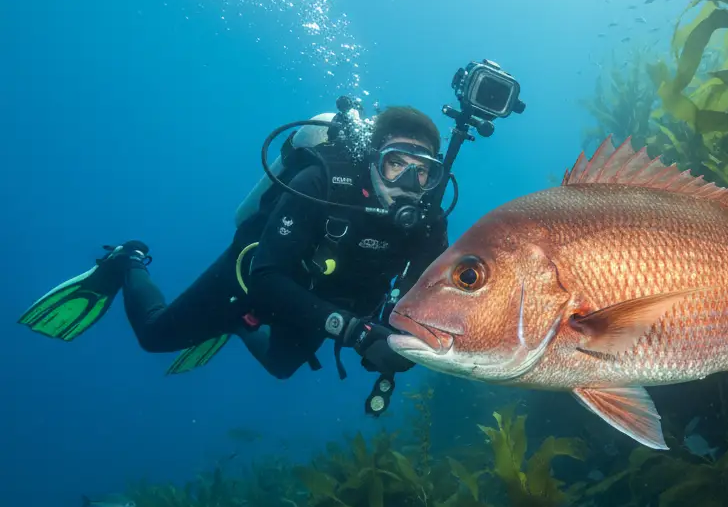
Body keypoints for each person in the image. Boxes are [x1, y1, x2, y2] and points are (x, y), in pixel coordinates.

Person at [19, 105, 449, 387]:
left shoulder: (429, 221)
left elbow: (424, 295)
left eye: (422, 172)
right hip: (251, 277)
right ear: (374, 159)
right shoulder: (318, 183)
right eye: (397, 164)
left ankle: (238, 326)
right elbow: (266, 278)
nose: (409, 184)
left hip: (323, 299)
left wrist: (396, 336)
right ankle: (126, 262)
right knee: (154, 337)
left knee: (281, 368)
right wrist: (353, 330)